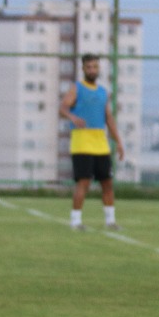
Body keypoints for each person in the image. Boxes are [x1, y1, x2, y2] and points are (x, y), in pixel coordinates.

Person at [59, 53, 125, 232]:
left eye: (95, 67)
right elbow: (62, 108)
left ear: (99, 69)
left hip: (101, 144)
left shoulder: (103, 92)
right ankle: (75, 221)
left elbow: (108, 118)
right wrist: (73, 116)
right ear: (83, 69)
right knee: (84, 182)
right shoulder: (77, 88)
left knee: (107, 182)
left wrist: (118, 141)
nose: (92, 70)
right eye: (89, 67)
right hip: (82, 143)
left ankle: (110, 220)